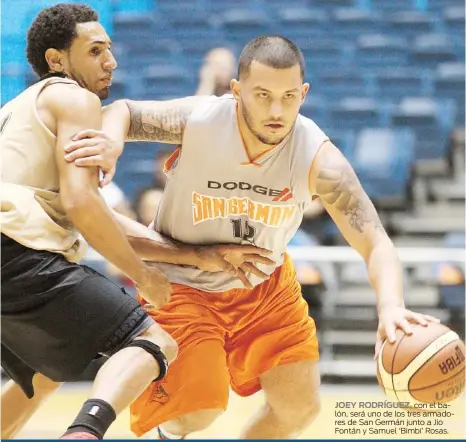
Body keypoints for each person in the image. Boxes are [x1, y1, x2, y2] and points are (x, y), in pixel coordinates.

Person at [63, 35, 442, 439]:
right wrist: (114, 142)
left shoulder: (318, 157)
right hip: (182, 284)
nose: (277, 110)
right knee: (198, 412)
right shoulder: (203, 120)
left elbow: (376, 242)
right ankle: (169, 432)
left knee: (300, 408)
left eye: (289, 96)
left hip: (266, 289)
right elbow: (122, 109)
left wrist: (391, 306)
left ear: (304, 93)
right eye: (262, 95)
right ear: (238, 91)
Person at [0, 5, 273, 440]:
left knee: (42, 373)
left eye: (109, 49)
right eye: (94, 51)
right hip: (15, 254)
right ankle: (84, 433)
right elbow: (82, 202)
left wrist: (192, 256)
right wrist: (142, 274)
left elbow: (91, 213)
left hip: (9, 257)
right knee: (153, 344)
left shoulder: (17, 109)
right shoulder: (75, 97)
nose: (111, 61)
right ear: (57, 60)